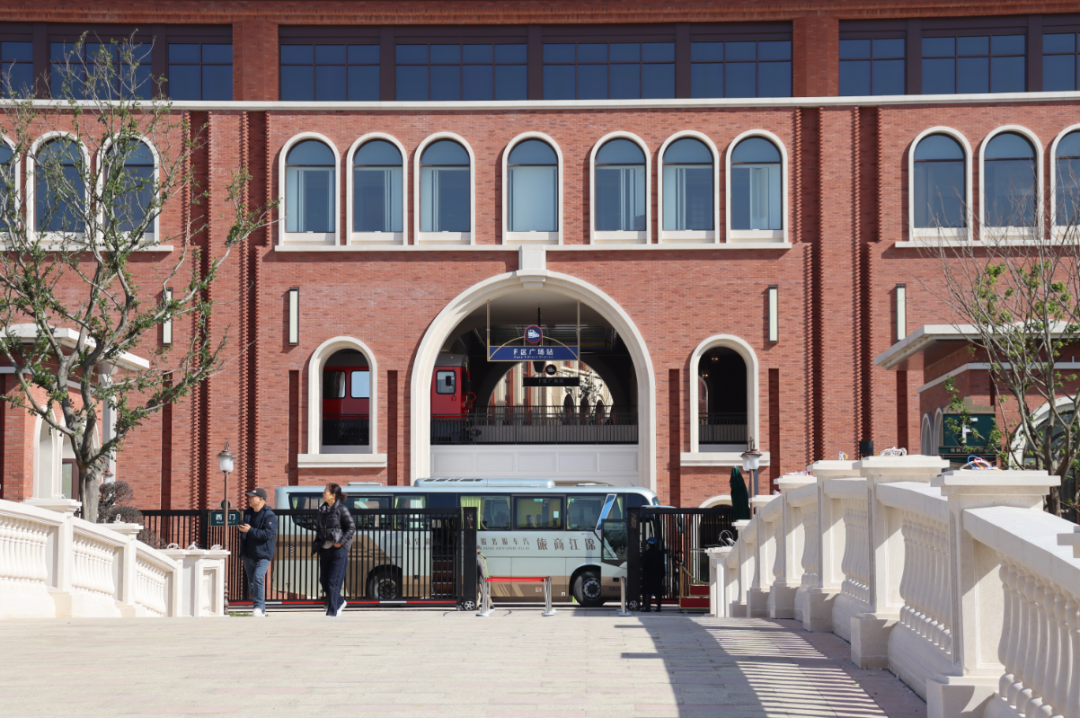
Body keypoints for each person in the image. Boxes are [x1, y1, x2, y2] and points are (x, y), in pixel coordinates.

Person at [313, 483, 355, 617]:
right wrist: (318, 544)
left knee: (333, 582)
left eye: (325, 491)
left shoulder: (341, 509)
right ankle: (340, 602)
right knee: (324, 582)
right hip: (324, 550)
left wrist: (341, 542)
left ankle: (332, 612)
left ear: (333, 495)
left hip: (338, 551)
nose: (323, 493)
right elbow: (319, 529)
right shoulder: (321, 510)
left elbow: (351, 527)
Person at [238, 488, 277, 618]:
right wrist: (243, 529)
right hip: (248, 554)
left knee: (258, 578)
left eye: (252, 497)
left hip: (263, 555)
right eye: (249, 496)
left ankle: (259, 607)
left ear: (261, 499)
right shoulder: (247, 513)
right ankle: (260, 608)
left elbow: (268, 534)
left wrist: (250, 530)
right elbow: (247, 532)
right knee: (252, 582)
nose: (249, 499)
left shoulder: (269, 515)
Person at [640, 536, 666, 613]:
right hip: (657, 575)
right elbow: (662, 565)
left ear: (648, 544)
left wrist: (644, 573)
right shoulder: (660, 553)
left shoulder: (646, 553)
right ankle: (658, 607)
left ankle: (648, 607)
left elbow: (644, 565)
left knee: (648, 591)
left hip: (648, 575)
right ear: (655, 544)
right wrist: (663, 574)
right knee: (658, 591)